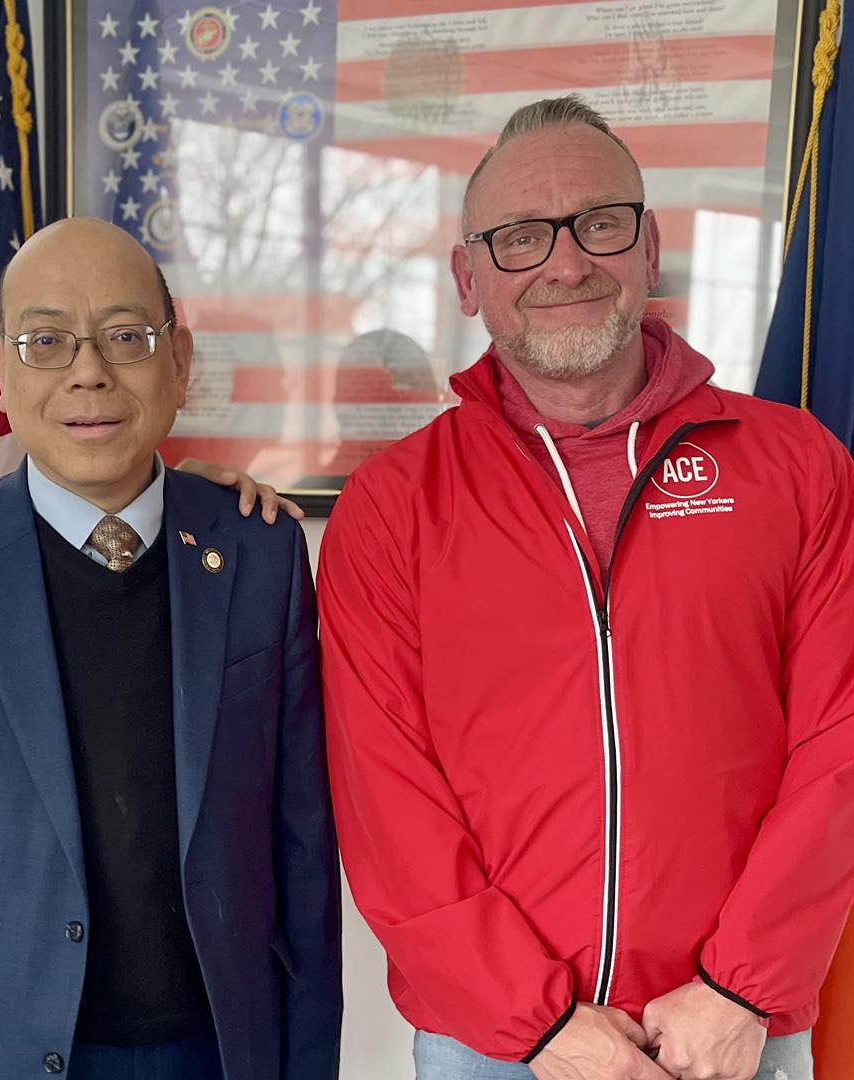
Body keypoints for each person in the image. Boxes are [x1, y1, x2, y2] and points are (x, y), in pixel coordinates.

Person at [319, 95, 854, 1080]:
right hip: (495, 1046)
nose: (566, 264)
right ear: (468, 276)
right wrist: (535, 1023)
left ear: (650, 248)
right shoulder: (393, 507)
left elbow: (841, 745)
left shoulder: (798, 468)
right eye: (521, 238)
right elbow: (387, 801)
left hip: (740, 1033)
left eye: (599, 224)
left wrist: (740, 988)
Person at [0, 216, 343, 1080]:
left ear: (179, 361)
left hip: (218, 1050)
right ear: (4, 376)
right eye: (47, 341)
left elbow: (303, 853)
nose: (88, 370)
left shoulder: (259, 551)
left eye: (125, 337)